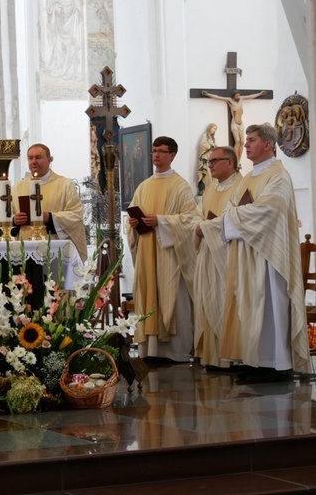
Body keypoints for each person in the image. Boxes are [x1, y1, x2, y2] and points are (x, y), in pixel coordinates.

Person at [217, 124, 309, 381]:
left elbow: (271, 209)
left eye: (251, 140)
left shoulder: (279, 175)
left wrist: (233, 216)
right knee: (248, 304)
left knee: (268, 305)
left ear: (268, 145)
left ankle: (275, 364)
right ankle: (255, 360)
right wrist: (233, 215)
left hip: (269, 255)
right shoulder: (248, 177)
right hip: (247, 251)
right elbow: (232, 207)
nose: (245, 145)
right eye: (246, 140)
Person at [126, 136, 196, 362]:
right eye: (154, 150)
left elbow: (191, 220)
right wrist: (134, 225)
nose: (156, 155)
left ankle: (175, 353)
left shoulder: (180, 186)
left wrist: (162, 221)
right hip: (147, 251)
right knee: (148, 296)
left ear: (172, 155)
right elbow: (132, 215)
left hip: (170, 254)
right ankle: (149, 350)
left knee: (173, 297)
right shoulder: (143, 186)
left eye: (161, 151)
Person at [192, 146, 242, 369]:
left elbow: (236, 218)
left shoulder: (241, 186)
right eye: (209, 162)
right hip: (207, 253)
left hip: (230, 254)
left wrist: (205, 227)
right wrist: (199, 226)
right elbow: (196, 215)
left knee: (226, 302)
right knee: (207, 300)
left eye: (214, 161)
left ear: (229, 163)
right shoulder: (210, 190)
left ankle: (230, 357)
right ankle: (212, 356)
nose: (209, 165)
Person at [10, 143, 87, 261]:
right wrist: (14, 220)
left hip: (53, 250)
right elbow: (5, 217)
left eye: (38, 157)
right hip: (24, 248)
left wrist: (50, 218)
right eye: (30, 158)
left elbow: (76, 215)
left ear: (50, 159)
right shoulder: (17, 188)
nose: (34, 161)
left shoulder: (65, 185)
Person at [201, 90, 267, 161]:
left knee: (242, 142)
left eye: (239, 95)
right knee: (238, 141)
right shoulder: (230, 101)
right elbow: (218, 97)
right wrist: (208, 94)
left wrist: (260, 94)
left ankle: (239, 160)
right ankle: (235, 159)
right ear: (233, 96)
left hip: (241, 123)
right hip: (234, 123)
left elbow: (250, 96)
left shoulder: (241, 99)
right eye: (236, 96)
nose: (238, 97)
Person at [196, 123, 217, 196]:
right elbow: (202, 144)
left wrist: (214, 146)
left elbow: (215, 146)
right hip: (206, 157)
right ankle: (205, 189)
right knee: (206, 172)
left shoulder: (212, 138)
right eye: (213, 128)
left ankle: (212, 188)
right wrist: (210, 145)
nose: (214, 130)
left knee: (212, 172)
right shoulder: (205, 135)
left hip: (212, 157)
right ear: (210, 128)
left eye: (215, 129)